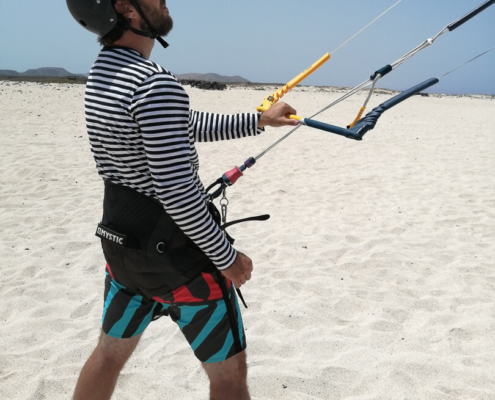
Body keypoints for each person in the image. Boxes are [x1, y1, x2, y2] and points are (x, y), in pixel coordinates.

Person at [67, 1, 297, 399]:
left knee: (108, 354)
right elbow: (178, 195)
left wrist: (257, 120)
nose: (165, 1)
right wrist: (228, 259)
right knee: (229, 376)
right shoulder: (153, 84)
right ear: (127, 8)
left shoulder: (103, 72)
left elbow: (177, 125)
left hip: (123, 253)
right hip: (178, 263)